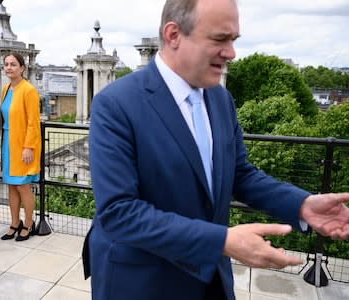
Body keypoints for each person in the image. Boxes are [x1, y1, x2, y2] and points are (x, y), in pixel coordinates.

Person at [82, 0, 349, 299]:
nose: (231, 53)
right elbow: (119, 213)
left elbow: (239, 174)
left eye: (233, 40)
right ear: (173, 35)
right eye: (219, 39)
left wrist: (301, 205)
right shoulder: (115, 103)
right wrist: (222, 241)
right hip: (141, 282)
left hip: (210, 279)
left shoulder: (221, 99)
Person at [0, 52, 41, 241]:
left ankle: (29, 223)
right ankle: (14, 223)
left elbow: (33, 122)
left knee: (23, 186)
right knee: (11, 186)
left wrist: (28, 147)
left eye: (13, 64)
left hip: (23, 144)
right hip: (8, 142)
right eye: (6, 64)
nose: (9, 67)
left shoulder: (29, 90)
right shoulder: (6, 88)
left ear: (22, 68)